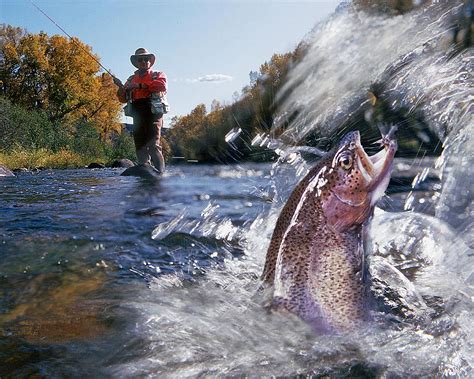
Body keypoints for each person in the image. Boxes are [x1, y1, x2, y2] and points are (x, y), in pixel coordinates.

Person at [112, 48, 167, 173]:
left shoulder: (157, 75)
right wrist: (121, 87)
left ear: (150, 61)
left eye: (146, 59)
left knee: (153, 144)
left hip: (154, 112)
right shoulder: (131, 79)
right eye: (140, 59)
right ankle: (145, 172)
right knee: (140, 145)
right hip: (137, 114)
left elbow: (162, 86)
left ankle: (160, 174)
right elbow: (123, 99)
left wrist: (139, 86)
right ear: (136, 62)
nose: (144, 61)